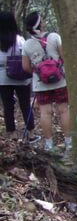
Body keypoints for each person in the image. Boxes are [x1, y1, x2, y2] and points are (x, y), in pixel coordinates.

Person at [22, 11, 71, 152]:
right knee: (63, 110)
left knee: (45, 113)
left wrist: (39, 72)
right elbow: (64, 56)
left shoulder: (27, 44)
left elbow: (25, 67)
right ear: (39, 24)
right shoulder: (55, 37)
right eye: (41, 20)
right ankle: (69, 142)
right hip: (60, 81)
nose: (44, 22)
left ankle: (49, 144)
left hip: (40, 83)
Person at [0, 11, 39, 143]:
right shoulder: (20, 40)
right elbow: (26, 57)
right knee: (25, 105)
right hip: (21, 77)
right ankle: (31, 133)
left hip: (2, 78)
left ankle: (11, 134)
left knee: (8, 106)